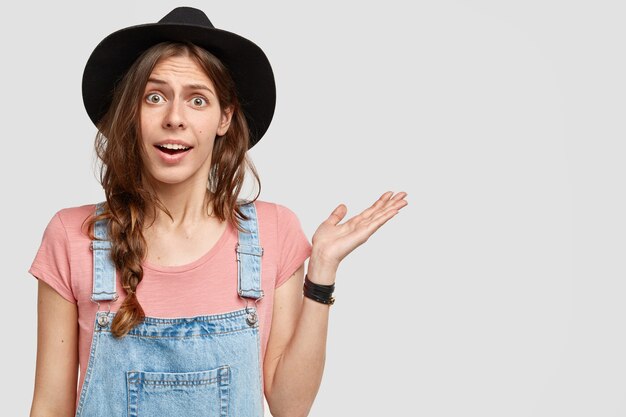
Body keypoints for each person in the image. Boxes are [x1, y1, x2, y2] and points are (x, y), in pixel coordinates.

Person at [28, 6, 408, 417]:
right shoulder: (72, 235)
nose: (174, 118)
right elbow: (50, 406)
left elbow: (289, 405)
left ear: (224, 117)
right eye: (154, 97)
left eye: (197, 100)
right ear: (130, 113)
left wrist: (322, 273)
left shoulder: (273, 232)